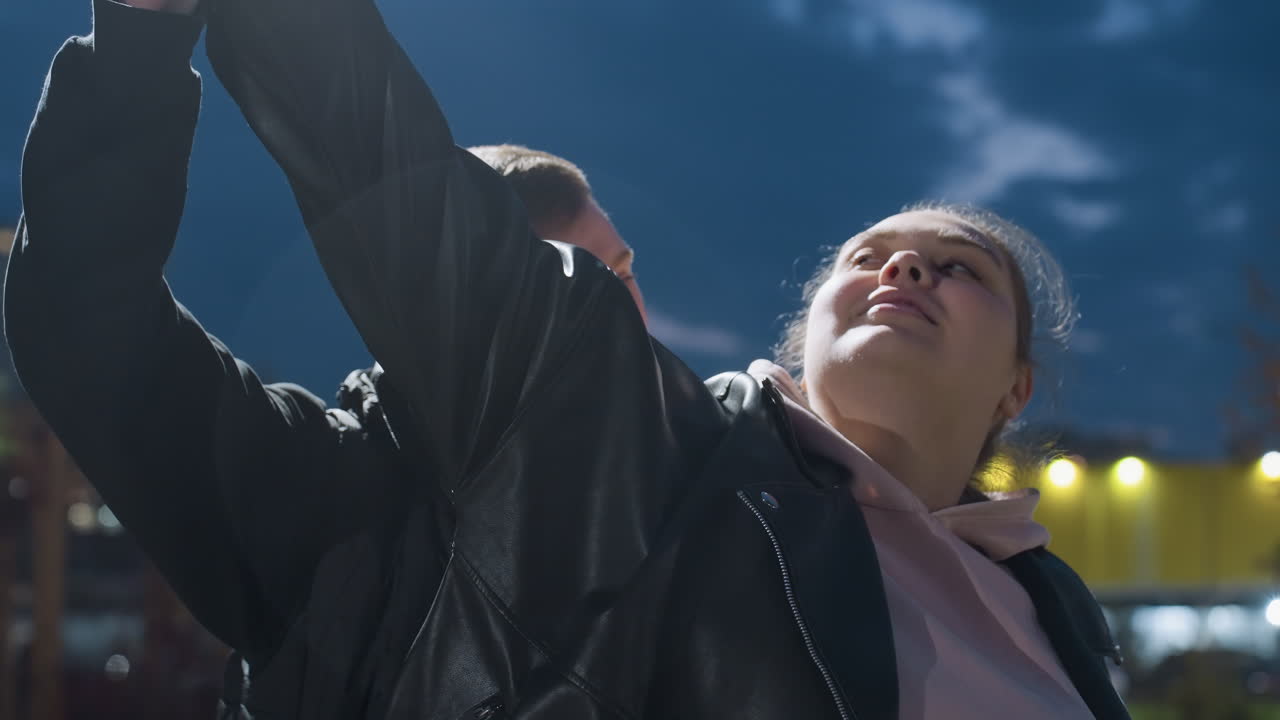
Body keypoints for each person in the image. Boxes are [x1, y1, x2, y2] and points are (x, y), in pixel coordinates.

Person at [4, 2, 1130, 720]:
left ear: (1015, 386)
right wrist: (147, 42)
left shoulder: (1046, 604)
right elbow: (94, 330)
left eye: (619, 270)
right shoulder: (348, 498)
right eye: (563, 285)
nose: (604, 310)